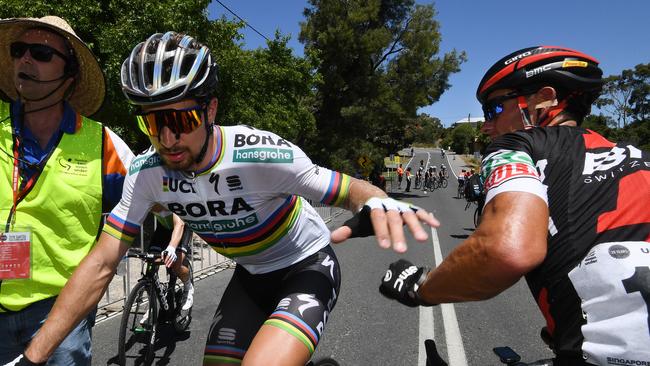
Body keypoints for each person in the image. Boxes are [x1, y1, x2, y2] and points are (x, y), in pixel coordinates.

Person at [13, 31, 439, 366]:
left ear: (211, 109)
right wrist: (34, 358)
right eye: (151, 123)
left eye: (181, 118)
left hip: (306, 266)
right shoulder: (147, 173)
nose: (167, 138)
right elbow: (102, 264)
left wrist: (381, 202)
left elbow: (350, 190)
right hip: (251, 277)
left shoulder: (261, 156)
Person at [379, 46, 650, 365]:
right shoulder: (642, 160)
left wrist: (420, 287)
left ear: (544, 99)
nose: (485, 126)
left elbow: (506, 249)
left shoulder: (517, 146)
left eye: (493, 109)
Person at [0, 16, 134, 365]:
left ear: (69, 76)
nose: (25, 59)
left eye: (41, 53)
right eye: (19, 50)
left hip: (62, 314)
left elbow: (149, 203)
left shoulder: (103, 143)